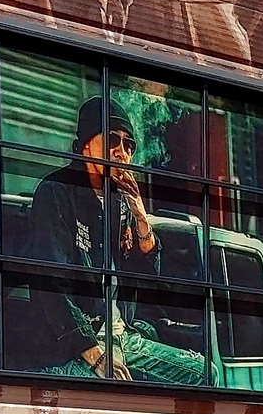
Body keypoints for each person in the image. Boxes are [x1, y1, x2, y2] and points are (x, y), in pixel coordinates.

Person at [13, 99, 158, 376]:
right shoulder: (56, 191)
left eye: (129, 146)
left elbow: (147, 277)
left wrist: (140, 214)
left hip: (123, 337)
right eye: (113, 140)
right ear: (85, 144)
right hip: (76, 343)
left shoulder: (121, 202)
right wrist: (95, 355)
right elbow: (50, 282)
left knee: (202, 373)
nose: (121, 152)